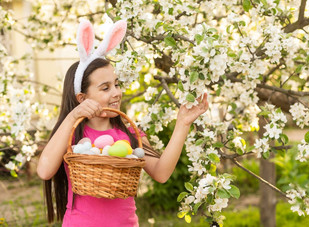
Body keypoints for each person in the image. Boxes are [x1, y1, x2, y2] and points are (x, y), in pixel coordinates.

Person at [36, 19, 208, 226]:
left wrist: (183, 123)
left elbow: (161, 173)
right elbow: (44, 171)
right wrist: (73, 116)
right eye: (105, 88)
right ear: (82, 98)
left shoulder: (128, 133)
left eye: (116, 84)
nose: (117, 92)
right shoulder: (73, 134)